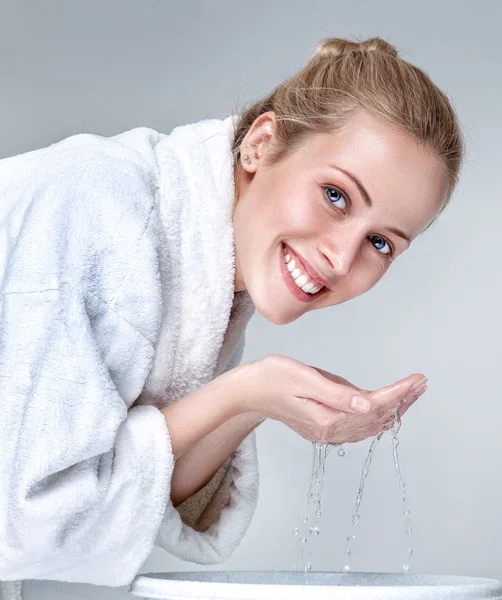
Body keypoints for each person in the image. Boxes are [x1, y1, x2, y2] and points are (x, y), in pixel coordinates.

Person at [0, 36, 463, 591]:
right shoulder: (97, 209)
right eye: (336, 196)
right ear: (261, 145)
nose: (341, 259)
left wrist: (256, 398)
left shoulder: (213, 277)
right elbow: (29, 520)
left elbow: (132, 484)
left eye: (382, 243)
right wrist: (246, 390)